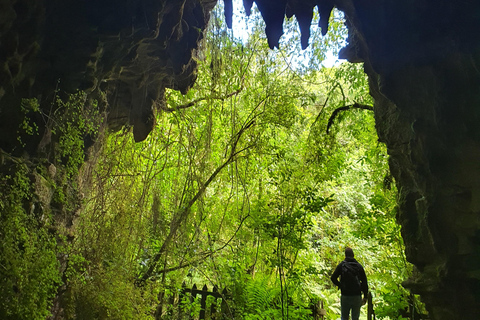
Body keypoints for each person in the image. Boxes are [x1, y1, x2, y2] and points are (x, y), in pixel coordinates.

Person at [330, 247, 369, 320]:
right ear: (353, 255)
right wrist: (365, 296)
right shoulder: (359, 266)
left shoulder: (341, 265)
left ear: (345, 255)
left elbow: (333, 278)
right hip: (357, 295)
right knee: (355, 318)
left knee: (344, 317)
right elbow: (364, 282)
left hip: (345, 295)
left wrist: (340, 285)